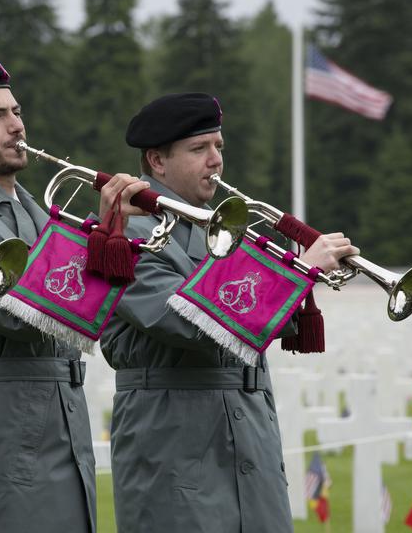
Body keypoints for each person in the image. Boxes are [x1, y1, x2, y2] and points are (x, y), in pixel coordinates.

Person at [103, 92, 359, 532]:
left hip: (250, 441)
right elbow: (189, 322)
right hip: (175, 445)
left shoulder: (221, 229)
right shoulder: (126, 236)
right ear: (157, 162)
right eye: (199, 149)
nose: (215, 161)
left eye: (219, 147)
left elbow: (259, 321)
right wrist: (297, 271)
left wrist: (289, 282)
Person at [0, 60, 147, 533]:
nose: (17, 124)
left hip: (58, 429)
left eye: (16, 111)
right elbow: (30, 311)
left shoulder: (38, 215)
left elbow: (99, 309)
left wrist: (119, 234)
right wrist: (104, 235)